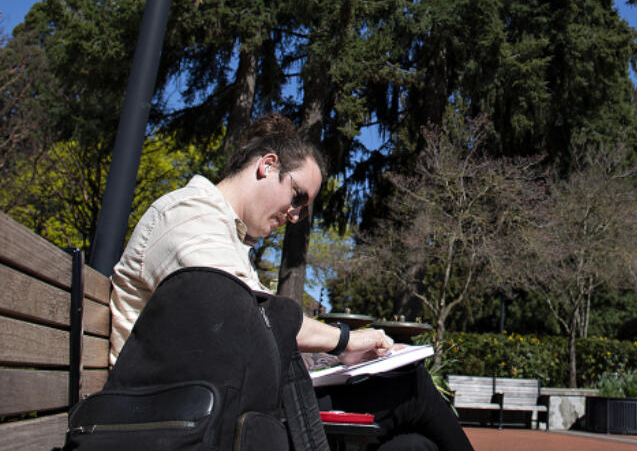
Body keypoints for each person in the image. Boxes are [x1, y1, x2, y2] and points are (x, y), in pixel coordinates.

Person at [109, 114, 473, 451]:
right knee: (411, 387)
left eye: (303, 208)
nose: (295, 215)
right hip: (180, 417)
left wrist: (327, 361)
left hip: (224, 406)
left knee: (415, 447)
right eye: (297, 197)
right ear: (267, 166)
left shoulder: (222, 236)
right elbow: (256, 316)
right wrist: (345, 342)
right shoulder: (188, 217)